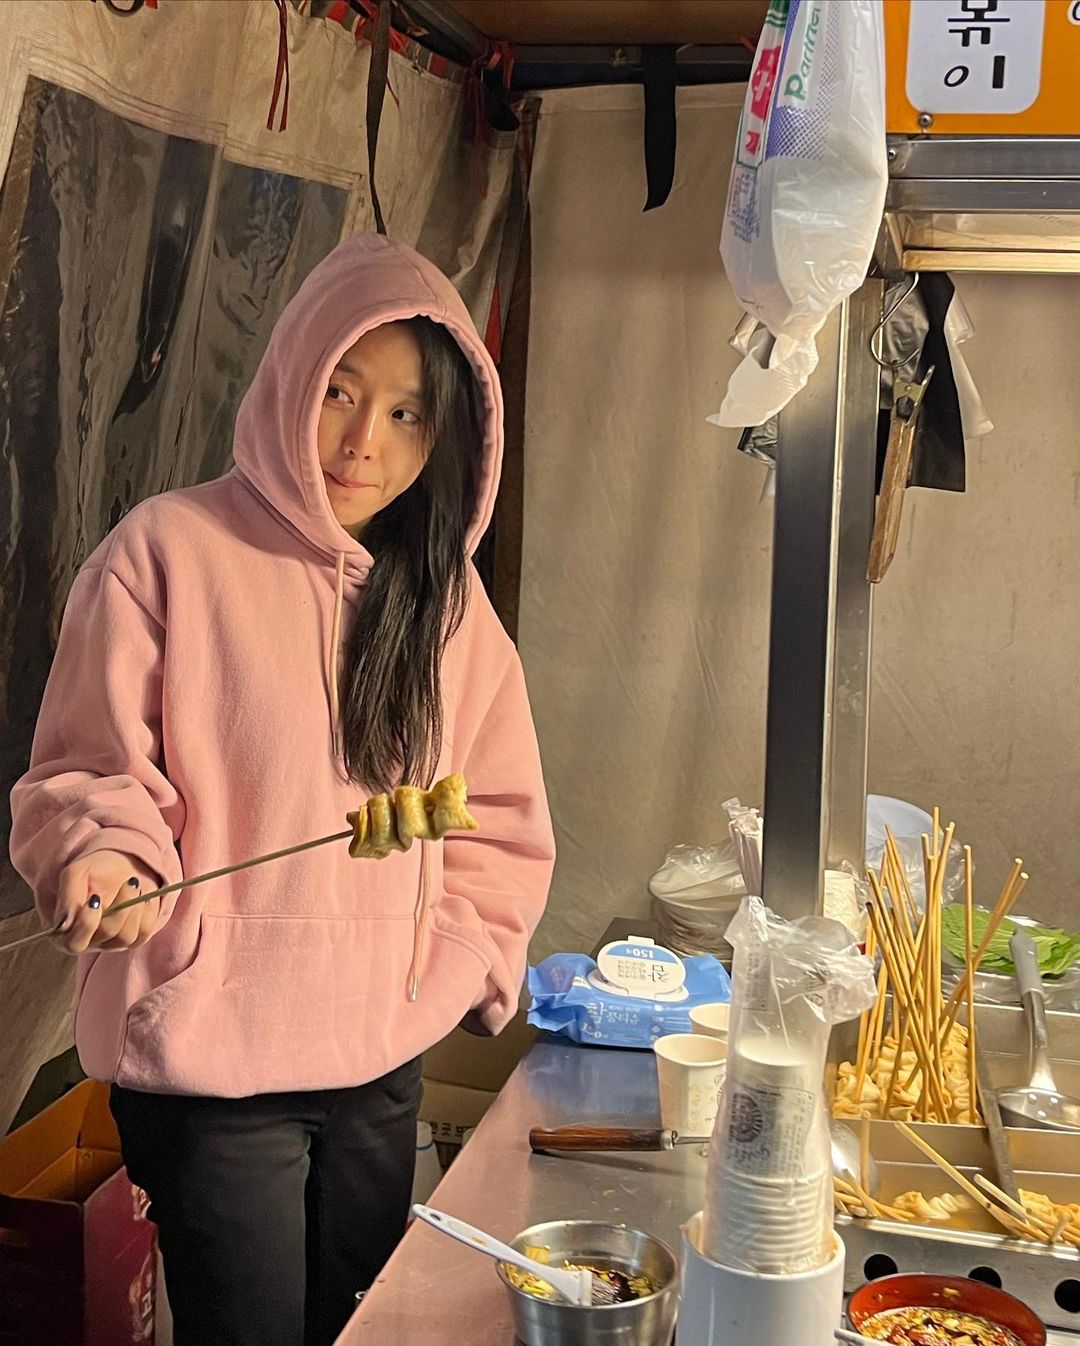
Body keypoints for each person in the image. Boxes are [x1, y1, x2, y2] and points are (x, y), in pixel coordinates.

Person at [10, 235, 555, 1346]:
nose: (363, 441)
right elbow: (92, 768)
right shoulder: (167, 552)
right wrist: (107, 858)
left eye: (405, 413)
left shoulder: (445, 604)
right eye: (341, 392)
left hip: (379, 1056)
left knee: (363, 1325)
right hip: (211, 1063)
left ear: (445, 433)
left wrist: (452, 961)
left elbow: (499, 819)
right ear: (290, 376)